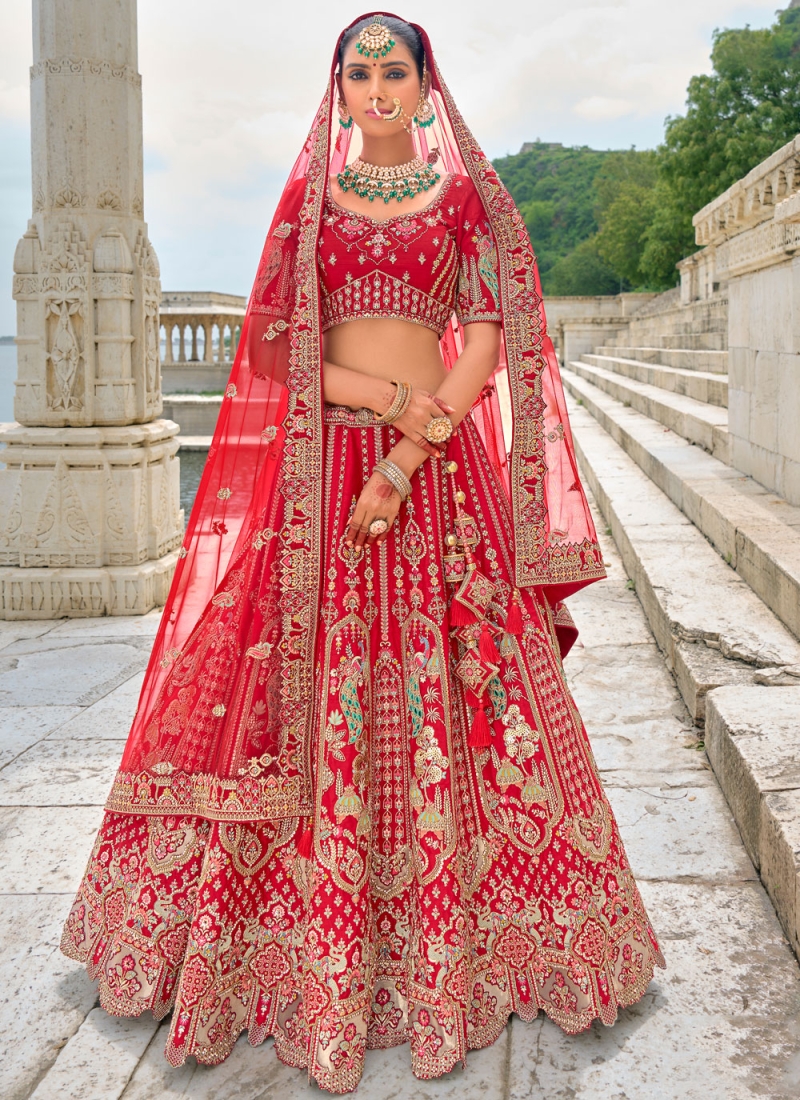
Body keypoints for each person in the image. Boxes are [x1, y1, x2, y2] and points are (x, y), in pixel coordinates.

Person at [61, 13, 664, 1093]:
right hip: (322, 476)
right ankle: (286, 947)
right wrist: (392, 405)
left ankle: (495, 941)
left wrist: (409, 450)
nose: (377, 87)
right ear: (335, 90)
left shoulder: (463, 200)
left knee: (471, 691)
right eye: (359, 72)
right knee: (288, 692)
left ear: (425, 88)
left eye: (395, 71)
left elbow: (483, 335)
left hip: (432, 483)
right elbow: (278, 347)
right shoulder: (309, 206)